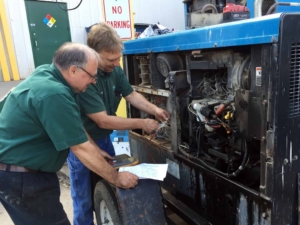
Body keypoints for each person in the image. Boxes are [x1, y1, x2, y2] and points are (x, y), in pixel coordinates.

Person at [0, 42, 138, 225]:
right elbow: (80, 148)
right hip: (22, 178)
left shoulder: (48, 74)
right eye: (91, 77)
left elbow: (73, 125)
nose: (93, 82)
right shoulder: (54, 93)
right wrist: (116, 178)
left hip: (25, 172)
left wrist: (96, 151)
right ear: (73, 70)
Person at [67, 23, 170, 225]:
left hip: (105, 140)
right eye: (111, 59)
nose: (116, 63)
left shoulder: (115, 71)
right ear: (93, 54)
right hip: (83, 143)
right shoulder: (86, 78)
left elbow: (130, 94)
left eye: (118, 58)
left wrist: (155, 110)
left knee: (109, 185)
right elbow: (103, 120)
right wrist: (142, 122)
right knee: (83, 196)